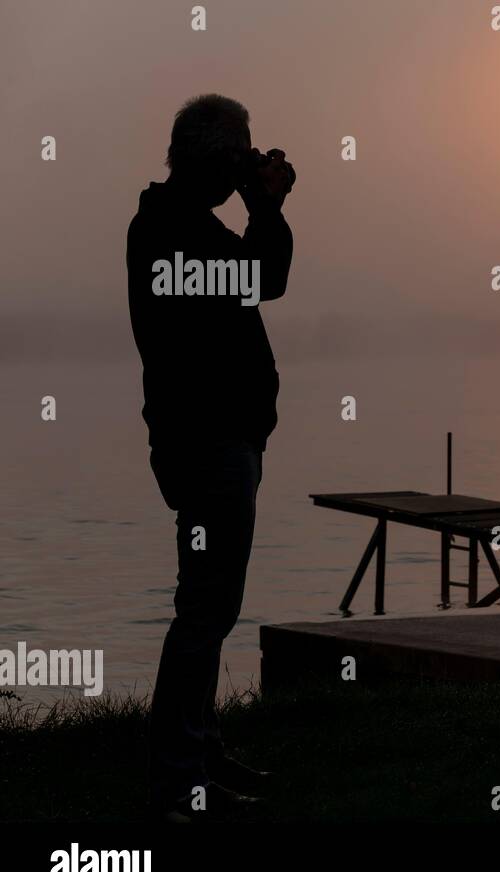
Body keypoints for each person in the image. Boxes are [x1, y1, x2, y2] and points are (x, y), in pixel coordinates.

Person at [126, 94, 295, 822]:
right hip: (209, 446)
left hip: (216, 442)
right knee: (205, 611)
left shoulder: (181, 226)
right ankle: (178, 783)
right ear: (215, 159)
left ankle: (201, 754)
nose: (243, 168)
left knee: (208, 607)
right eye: (237, 156)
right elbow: (263, 279)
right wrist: (267, 206)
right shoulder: (172, 232)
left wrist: (259, 208)